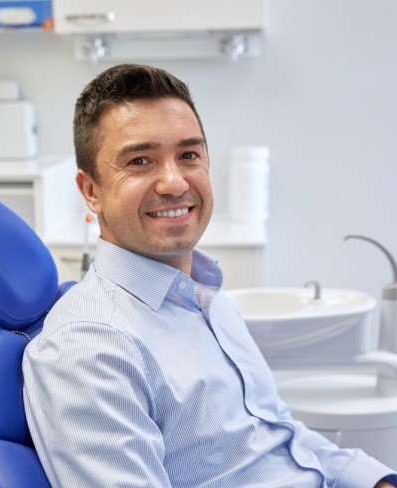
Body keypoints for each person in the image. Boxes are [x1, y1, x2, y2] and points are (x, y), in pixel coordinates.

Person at [23, 64, 397, 487]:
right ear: (91, 190)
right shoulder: (90, 348)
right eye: (140, 161)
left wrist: (376, 480)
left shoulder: (205, 296)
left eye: (189, 155)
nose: (174, 182)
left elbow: (278, 433)